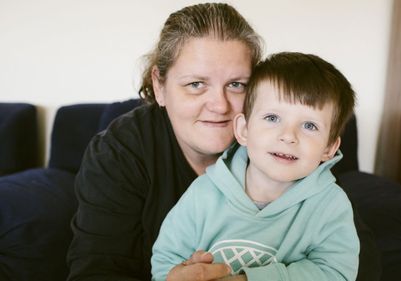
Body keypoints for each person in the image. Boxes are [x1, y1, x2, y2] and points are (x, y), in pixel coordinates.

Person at [67, 3, 380, 281]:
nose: (219, 105)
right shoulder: (120, 152)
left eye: (236, 84)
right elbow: (96, 270)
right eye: (196, 84)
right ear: (159, 86)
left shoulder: (282, 150)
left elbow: (355, 266)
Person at [151, 52, 360, 281]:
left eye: (309, 125)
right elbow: (165, 262)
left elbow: (336, 273)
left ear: (329, 147)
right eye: (272, 118)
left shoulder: (330, 206)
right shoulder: (204, 194)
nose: (288, 136)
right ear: (244, 129)